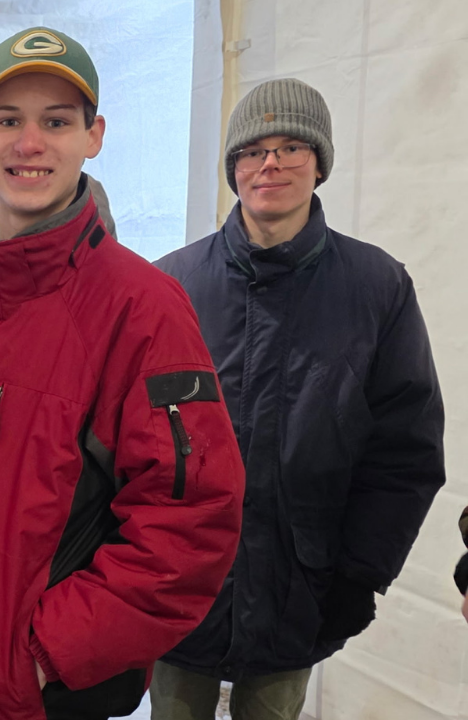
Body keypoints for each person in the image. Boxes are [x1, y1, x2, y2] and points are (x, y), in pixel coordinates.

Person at [0, 27, 246, 720]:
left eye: (56, 122)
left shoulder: (142, 308)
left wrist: (43, 655)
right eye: (9, 120)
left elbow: (189, 523)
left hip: (40, 698)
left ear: (94, 136)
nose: (29, 143)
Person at [152, 78, 445, 720]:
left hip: (300, 589)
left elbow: (404, 451)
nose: (272, 164)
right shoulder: (170, 285)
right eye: (254, 150)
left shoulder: (377, 288)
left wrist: (360, 575)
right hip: (181, 588)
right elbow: (128, 442)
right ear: (233, 167)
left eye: (292, 147)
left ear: (320, 163)